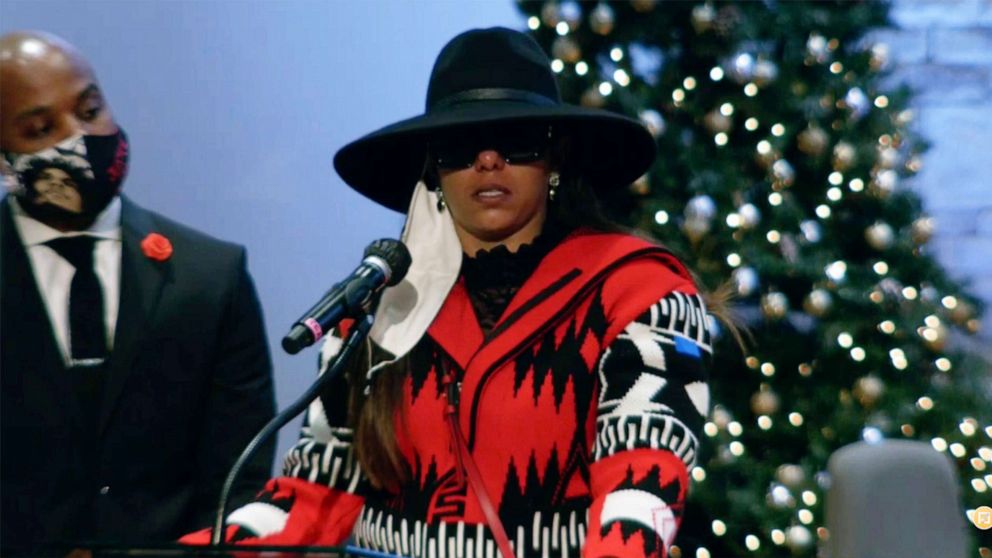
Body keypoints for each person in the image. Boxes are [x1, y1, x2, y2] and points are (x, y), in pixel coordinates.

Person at [185, 27, 717, 558]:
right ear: (433, 170)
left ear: (557, 156)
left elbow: (641, 481)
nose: (488, 161)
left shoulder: (639, 293)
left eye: (517, 141)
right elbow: (313, 494)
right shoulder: (374, 307)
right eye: (461, 145)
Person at [0, 31, 277, 555]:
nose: (80, 136)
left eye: (90, 108)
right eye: (41, 128)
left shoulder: (210, 276)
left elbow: (237, 479)